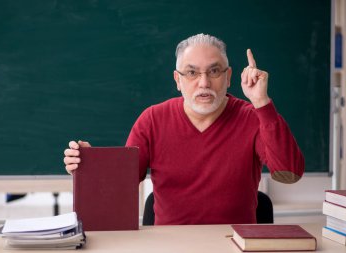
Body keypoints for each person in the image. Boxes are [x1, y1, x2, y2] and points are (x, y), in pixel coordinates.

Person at [64, 34, 304, 225]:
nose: (204, 83)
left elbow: (289, 172)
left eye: (214, 71)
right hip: (170, 244)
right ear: (177, 80)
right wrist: (90, 165)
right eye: (191, 73)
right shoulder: (152, 120)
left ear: (229, 76)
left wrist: (262, 103)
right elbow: (119, 187)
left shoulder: (251, 117)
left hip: (233, 243)